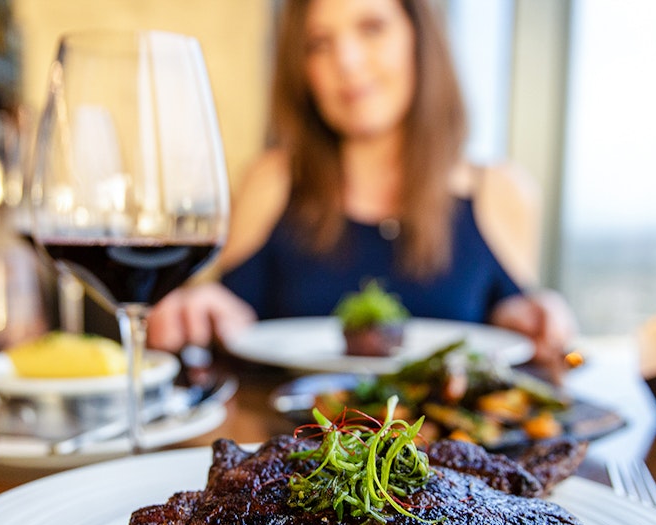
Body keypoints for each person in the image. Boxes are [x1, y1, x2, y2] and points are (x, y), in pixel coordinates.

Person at [148, 0, 578, 370]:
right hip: (297, 449)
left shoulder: (501, 192)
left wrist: (530, 318)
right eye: (319, 44)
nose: (347, 61)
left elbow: (511, 335)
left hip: (448, 455)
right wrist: (206, 309)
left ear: (419, 38)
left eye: (371, 28)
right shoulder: (272, 180)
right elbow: (236, 316)